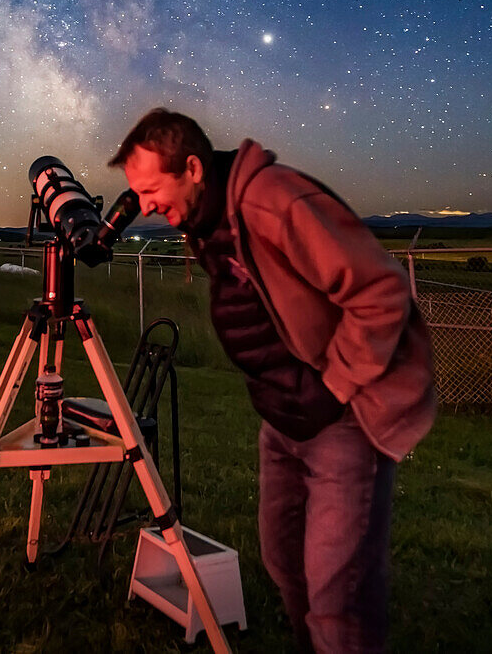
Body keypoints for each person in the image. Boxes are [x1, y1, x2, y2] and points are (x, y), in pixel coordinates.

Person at [109, 108, 436, 654]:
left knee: (337, 590)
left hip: (340, 417)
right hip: (283, 417)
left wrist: (332, 388)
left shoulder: (274, 201)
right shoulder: (207, 218)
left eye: (149, 189)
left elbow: (382, 290)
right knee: (285, 563)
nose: (143, 206)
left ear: (192, 168)